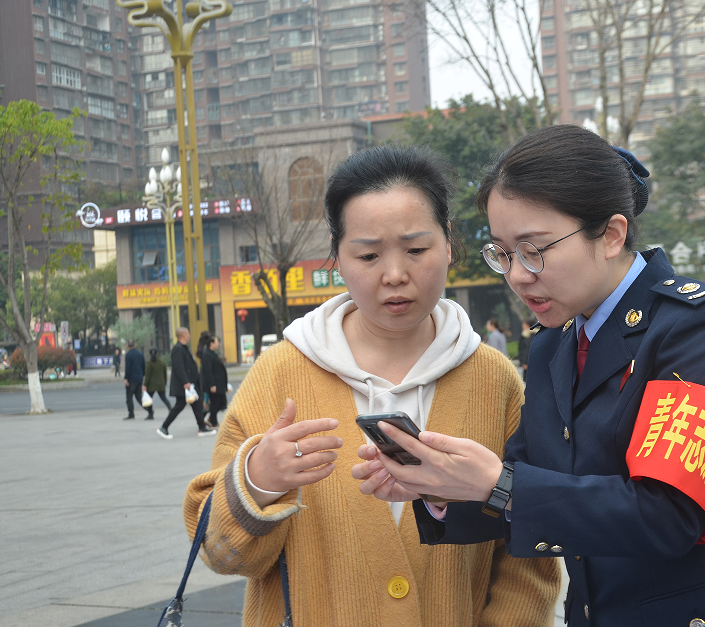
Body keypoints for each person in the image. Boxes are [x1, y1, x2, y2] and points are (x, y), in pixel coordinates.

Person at [354, 126, 705, 626]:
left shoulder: (698, 329)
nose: (516, 274)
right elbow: (524, 475)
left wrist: (499, 484)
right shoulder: (557, 340)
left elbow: (669, 517)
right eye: (503, 253)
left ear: (612, 234)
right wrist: (440, 486)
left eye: (534, 249)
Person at [182, 146, 560, 626]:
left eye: (417, 250)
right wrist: (257, 480)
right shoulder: (280, 374)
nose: (395, 275)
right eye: (368, 254)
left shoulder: (495, 380)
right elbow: (222, 555)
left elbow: (530, 560)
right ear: (336, 258)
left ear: (449, 243)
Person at [158, 327, 215, 439]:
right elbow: (179, 367)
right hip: (185, 385)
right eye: (188, 333)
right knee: (179, 406)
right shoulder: (178, 349)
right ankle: (164, 427)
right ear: (184, 335)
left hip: (190, 384)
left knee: (197, 405)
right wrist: (185, 382)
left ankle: (201, 428)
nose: (189, 335)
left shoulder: (183, 348)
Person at [197, 332, 228, 429]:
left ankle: (210, 418)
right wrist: (212, 385)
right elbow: (208, 371)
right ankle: (213, 422)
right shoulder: (207, 355)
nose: (218, 343)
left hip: (219, 384)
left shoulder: (213, 354)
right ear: (211, 344)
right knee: (215, 403)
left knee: (222, 403)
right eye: (217, 341)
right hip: (214, 384)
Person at [123, 340, 149, 420]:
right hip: (139, 378)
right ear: (135, 345)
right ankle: (149, 410)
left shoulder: (128, 355)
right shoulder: (140, 354)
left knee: (129, 398)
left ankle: (131, 414)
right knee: (139, 397)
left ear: (128, 346)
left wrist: (126, 378)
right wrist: (144, 375)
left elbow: (128, 368)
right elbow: (144, 365)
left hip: (131, 379)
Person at [145, 348, 173, 413]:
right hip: (161, 384)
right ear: (157, 353)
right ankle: (170, 409)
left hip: (151, 385)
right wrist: (164, 383)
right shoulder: (162, 362)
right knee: (164, 398)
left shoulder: (149, 363)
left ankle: (150, 413)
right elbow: (165, 375)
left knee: (149, 399)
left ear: (149, 354)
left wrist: (145, 384)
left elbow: (147, 375)